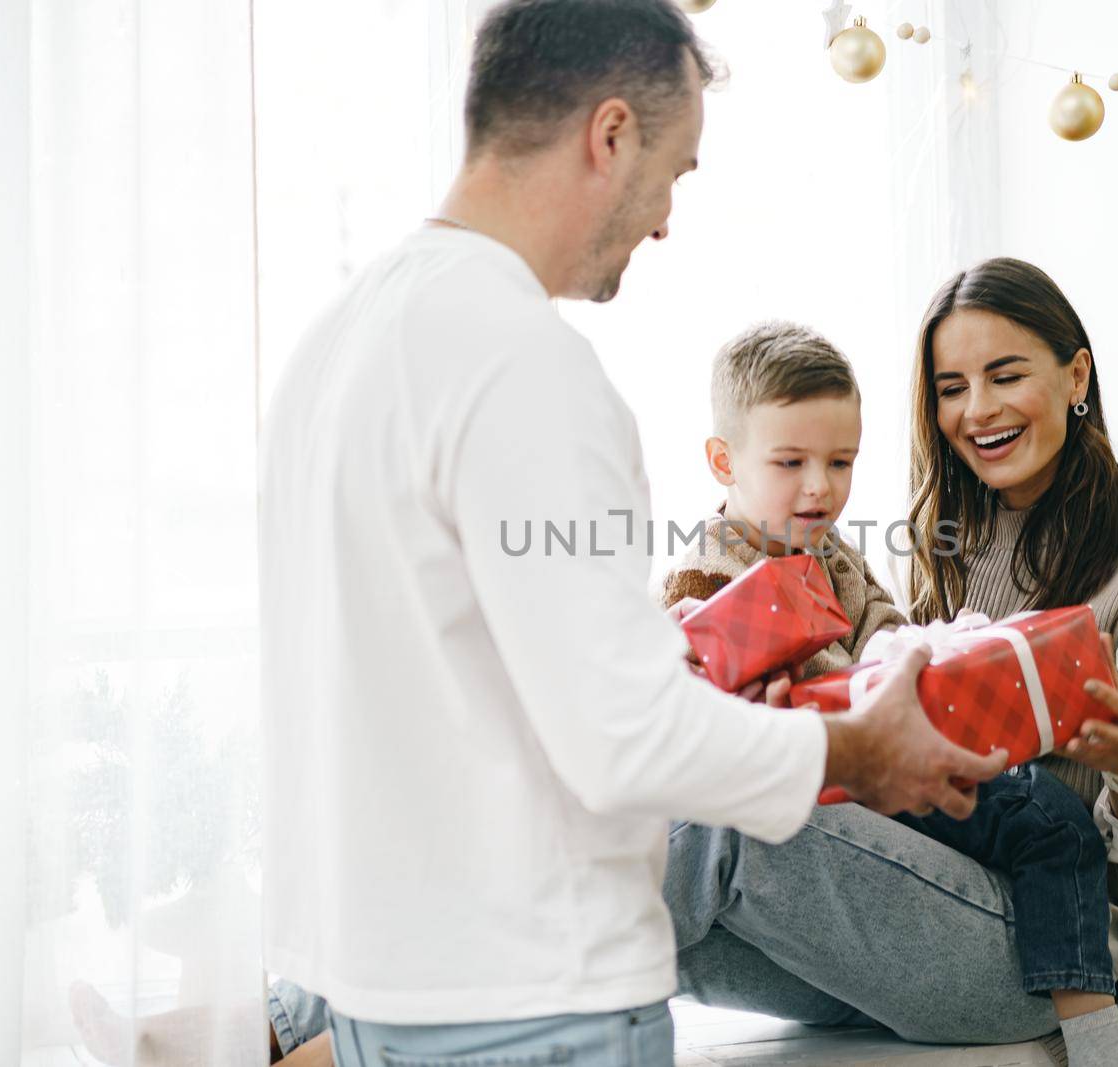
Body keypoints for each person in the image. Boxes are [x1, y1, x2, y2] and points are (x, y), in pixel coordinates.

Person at [252, 3, 1007, 1066]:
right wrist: (856, 748)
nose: (663, 220)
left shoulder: (338, 343)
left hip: (389, 985)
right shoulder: (522, 361)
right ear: (609, 135)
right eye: (676, 173)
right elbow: (623, 737)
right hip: (535, 1000)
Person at [661, 259, 1118, 1065]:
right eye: (951, 386)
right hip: (933, 892)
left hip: (1048, 941)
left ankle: (511, 959)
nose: (978, 410)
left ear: (1077, 376)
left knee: (730, 819)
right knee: (671, 927)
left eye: (1004, 375)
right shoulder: (947, 544)